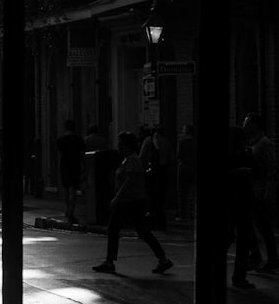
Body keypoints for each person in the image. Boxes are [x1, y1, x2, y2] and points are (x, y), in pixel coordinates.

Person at [93, 132, 172, 276]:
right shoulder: (126, 160)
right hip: (127, 201)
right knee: (125, 230)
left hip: (130, 201)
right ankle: (162, 259)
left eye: (120, 144)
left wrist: (116, 198)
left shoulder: (132, 160)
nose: (118, 147)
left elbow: (129, 182)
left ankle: (111, 262)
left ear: (127, 145)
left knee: (133, 231)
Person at [243, 112, 279, 272]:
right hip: (251, 189)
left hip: (260, 189)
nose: (244, 126)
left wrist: (268, 190)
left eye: (246, 123)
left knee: (263, 226)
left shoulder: (265, 144)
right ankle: (256, 256)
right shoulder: (251, 143)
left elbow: (271, 168)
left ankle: (272, 260)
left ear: (255, 125)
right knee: (250, 225)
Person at [229, 126, 259, 288]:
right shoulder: (237, 154)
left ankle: (239, 276)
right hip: (236, 199)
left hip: (241, 199)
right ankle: (239, 277)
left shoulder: (245, 153)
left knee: (242, 239)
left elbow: (256, 171)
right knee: (239, 239)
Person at [57, 117, 86, 225]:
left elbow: (60, 152)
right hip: (75, 166)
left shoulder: (61, 140)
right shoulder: (78, 139)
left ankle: (68, 208)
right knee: (73, 189)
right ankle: (71, 210)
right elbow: (82, 153)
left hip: (64, 166)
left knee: (66, 189)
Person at [176, 123, 196, 223]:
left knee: (182, 192)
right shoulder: (195, 142)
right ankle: (193, 214)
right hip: (194, 168)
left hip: (183, 168)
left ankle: (183, 214)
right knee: (193, 192)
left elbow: (179, 155)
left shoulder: (182, 142)